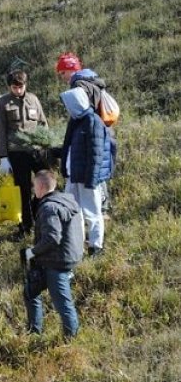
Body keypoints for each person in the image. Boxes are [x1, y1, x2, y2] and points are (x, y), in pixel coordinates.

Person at [22, 170, 84, 338]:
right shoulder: (67, 200)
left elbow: (51, 238)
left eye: (35, 186)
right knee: (30, 292)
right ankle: (34, 332)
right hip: (66, 257)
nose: (34, 190)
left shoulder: (49, 207)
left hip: (56, 262)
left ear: (41, 187)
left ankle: (71, 341)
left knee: (63, 304)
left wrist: (31, 252)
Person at [56, 52, 115, 215]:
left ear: (70, 69)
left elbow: (82, 115)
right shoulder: (92, 80)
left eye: (62, 72)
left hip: (92, 134)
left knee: (93, 170)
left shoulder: (80, 85)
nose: (61, 77)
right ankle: (103, 208)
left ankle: (98, 214)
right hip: (104, 131)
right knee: (99, 170)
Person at [0, 69, 49, 236]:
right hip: (17, 153)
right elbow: (0, 130)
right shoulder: (3, 103)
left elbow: (43, 123)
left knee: (45, 185)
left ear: (25, 84)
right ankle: (25, 225)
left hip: (36, 150)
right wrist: (3, 156)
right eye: (14, 87)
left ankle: (43, 218)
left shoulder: (33, 99)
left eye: (21, 86)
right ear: (9, 86)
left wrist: (47, 146)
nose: (18, 90)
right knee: (23, 190)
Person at [60, 88, 113, 256]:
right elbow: (70, 148)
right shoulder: (76, 121)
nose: (67, 108)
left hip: (87, 178)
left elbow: (96, 154)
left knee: (93, 212)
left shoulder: (92, 122)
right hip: (74, 176)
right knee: (74, 212)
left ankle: (96, 246)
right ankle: (77, 244)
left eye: (68, 105)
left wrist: (91, 179)